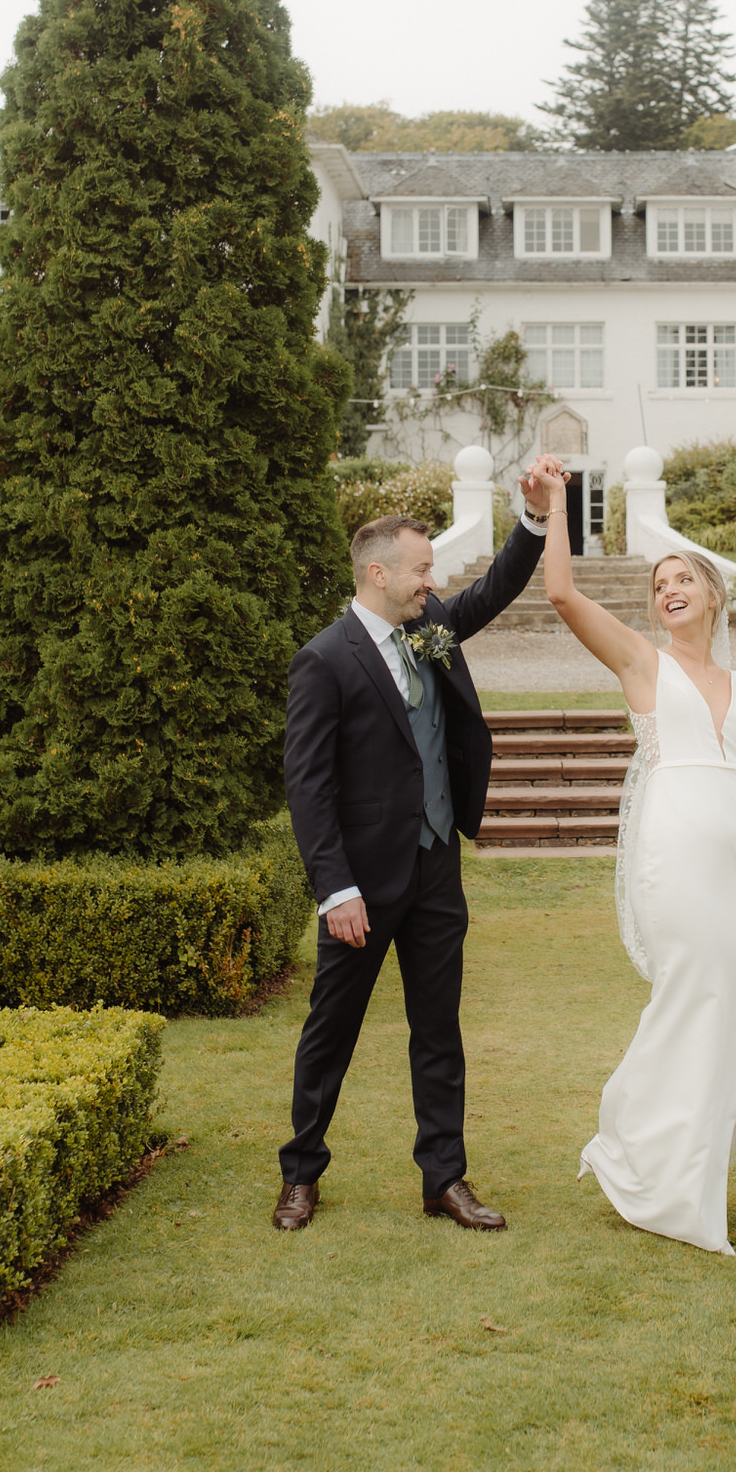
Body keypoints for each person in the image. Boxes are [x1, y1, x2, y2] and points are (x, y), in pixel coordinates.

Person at [528, 461, 736, 1255]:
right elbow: (562, 597)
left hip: (735, 869)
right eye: (659, 583)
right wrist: (555, 513)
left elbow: (732, 781)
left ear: (712, 595)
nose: (668, 590)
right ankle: (633, 1153)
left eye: (682, 579)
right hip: (673, 861)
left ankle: (691, 1180)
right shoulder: (644, 663)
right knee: (689, 1001)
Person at [273, 457, 566, 1233]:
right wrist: (335, 889)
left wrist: (533, 520)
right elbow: (307, 785)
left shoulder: (430, 629)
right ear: (378, 572)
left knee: (439, 1030)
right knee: (330, 1031)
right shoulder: (324, 658)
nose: (432, 582)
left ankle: (445, 1178)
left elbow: (491, 591)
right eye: (422, 569)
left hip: (436, 868)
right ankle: (300, 1174)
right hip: (361, 885)